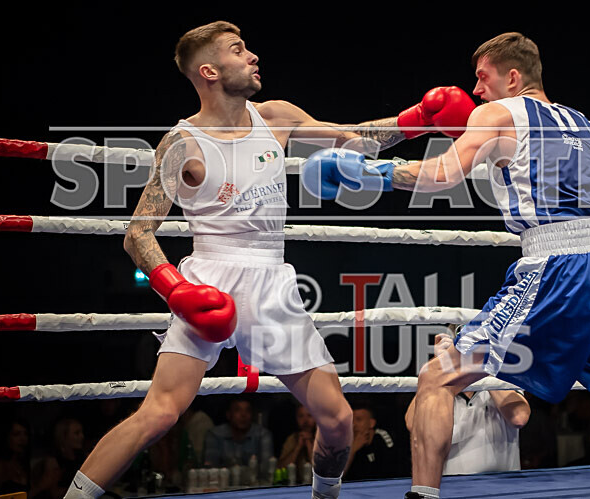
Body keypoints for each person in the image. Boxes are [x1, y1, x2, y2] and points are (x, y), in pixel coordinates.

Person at [63, 21, 475, 499]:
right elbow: (138, 234)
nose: (253, 56)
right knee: (159, 413)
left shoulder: (276, 116)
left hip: (270, 282)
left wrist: (417, 119)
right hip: (209, 277)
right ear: (210, 70)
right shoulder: (183, 142)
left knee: (338, 419)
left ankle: (324, 496)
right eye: (239, 50)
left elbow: (355, 141)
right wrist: (175, 288)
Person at [302, 32, 590, 499]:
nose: (476, 89)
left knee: (436, 377)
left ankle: (424, 494)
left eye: (483, 77)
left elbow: (442, 176)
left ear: (513, 76)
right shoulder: (581, 122)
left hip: (556, 265)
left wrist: (373, 173)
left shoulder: (497, 113)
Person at [404, 330, 530, 475]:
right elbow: (413, 424)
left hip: (500, 488)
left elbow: (519, 418)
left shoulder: (503, 379)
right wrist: (437, 366)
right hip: (451, 489)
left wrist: (484, 366)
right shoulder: (439, 388)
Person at [343, 405, 398, 481]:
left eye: (358, 420)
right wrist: (353, 450)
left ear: (371, 423)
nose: (353, 424)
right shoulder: (343, 440)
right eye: (351, 420)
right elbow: (337, 476)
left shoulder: (382, 437)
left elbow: (392, 471)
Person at [278, 403, 316, 484]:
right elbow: (280, 469)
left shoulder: (323, 438)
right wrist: (298, 447)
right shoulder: (292, 439)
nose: (305, 421)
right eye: (301, 416)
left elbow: (324, 473)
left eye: (309, 415)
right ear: (296, 419)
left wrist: (309, 446)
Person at [0, 420, 30, 494]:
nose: (23, 438)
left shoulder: (23, 464)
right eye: (16, 434)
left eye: (25, 434)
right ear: (7, 437)